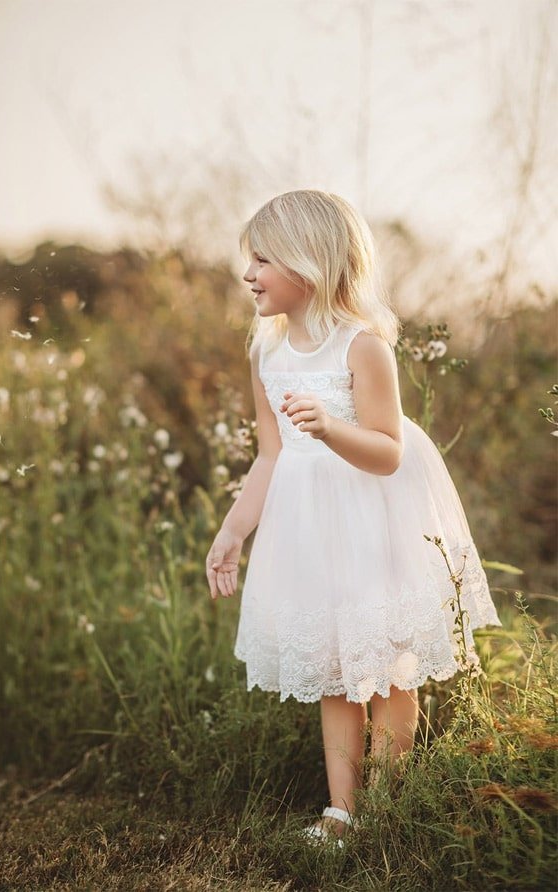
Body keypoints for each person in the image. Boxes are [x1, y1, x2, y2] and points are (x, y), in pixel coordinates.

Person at [205, 189, 501, 847]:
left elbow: (388, 451)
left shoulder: (362, 347)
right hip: (311, 529)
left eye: (262, 259)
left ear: (309, 263)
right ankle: (342, 812)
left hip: (374, 520)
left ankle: (389, 808)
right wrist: (233, 531)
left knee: (389, 664)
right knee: (333, 668)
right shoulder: (266, 353)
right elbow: (270, 456)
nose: (248, 273)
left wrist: (331, 428)